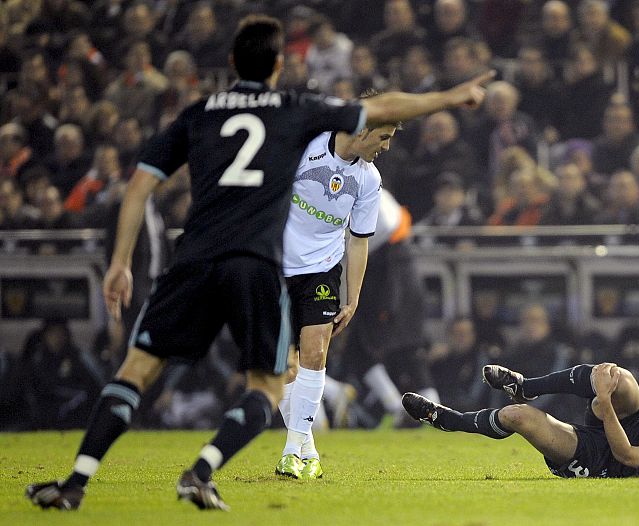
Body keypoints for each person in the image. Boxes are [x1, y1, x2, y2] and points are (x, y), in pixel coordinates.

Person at [25, 14, 494, 512]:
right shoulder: (294, 115)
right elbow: (379, 107)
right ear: (277, 67)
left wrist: (120, 262)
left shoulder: (199, 112)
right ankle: (205, 469)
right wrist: (447, 97)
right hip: (260, 263)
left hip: (209, 254)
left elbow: (140, 183)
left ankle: (80, 481)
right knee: (270, 382)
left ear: (230, 63)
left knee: (141, 370)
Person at [404, 252, 639, 478]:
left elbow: (627, 456)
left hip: (603, 459)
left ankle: (446, 419)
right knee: (618, 376)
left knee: (520, 417)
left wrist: (603, 405)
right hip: (636, 423)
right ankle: (526, 385)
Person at [275, 97, 395, 480]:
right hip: (277, 266)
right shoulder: (307, 147)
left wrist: (353, 295)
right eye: (383, 136)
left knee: (315, 352)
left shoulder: (369, 179)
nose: (386, 146)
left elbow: (358, 240)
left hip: (322, 270)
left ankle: (292, 451)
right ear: (361, 130)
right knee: (282, 366)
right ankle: (307, 448)